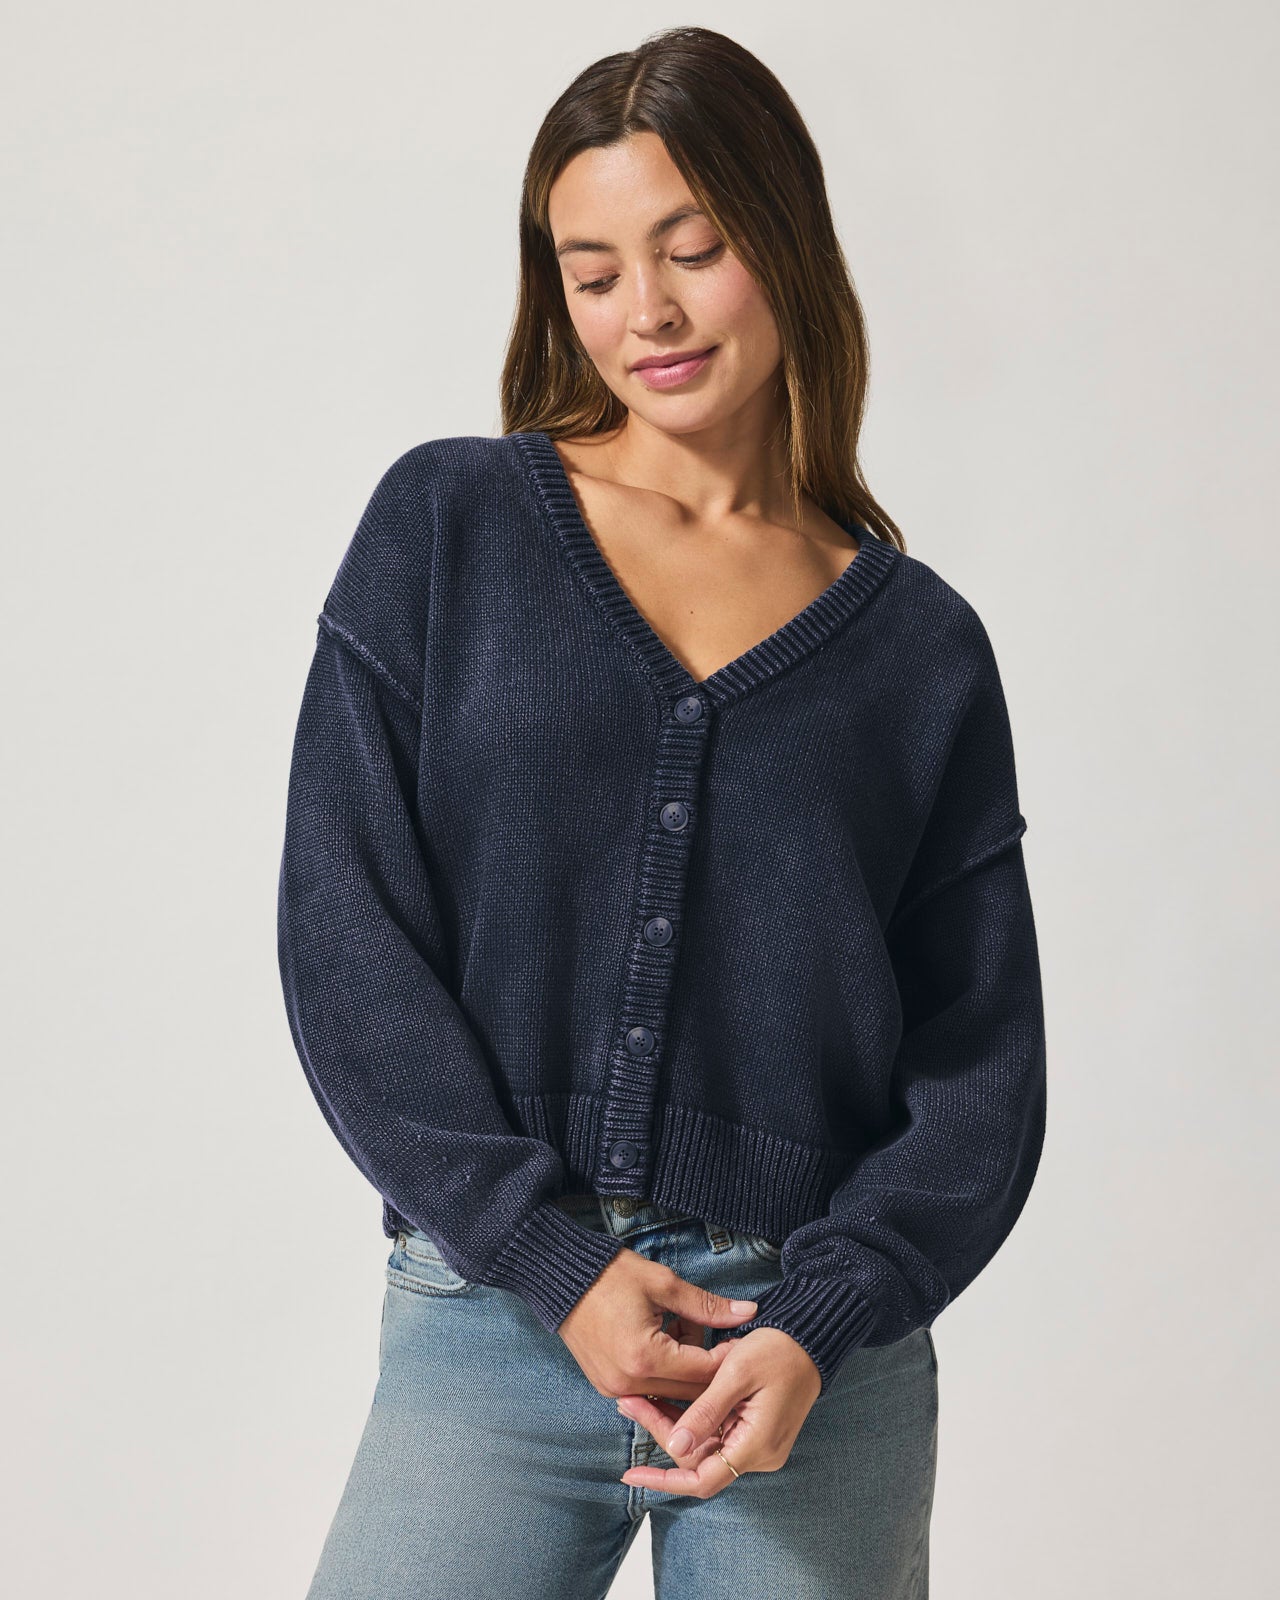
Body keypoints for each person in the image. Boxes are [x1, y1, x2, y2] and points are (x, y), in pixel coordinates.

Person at [276, 24, 1047, 1599]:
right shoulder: (452, 526)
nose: (650, 313)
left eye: (694, 250)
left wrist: (825, 1318)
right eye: (595, 271)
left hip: (806, 1355)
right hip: (495, 1315)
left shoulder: (920, 649)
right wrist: (549, 1257)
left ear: (787, 238)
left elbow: (980, 1066)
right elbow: (346, 935)